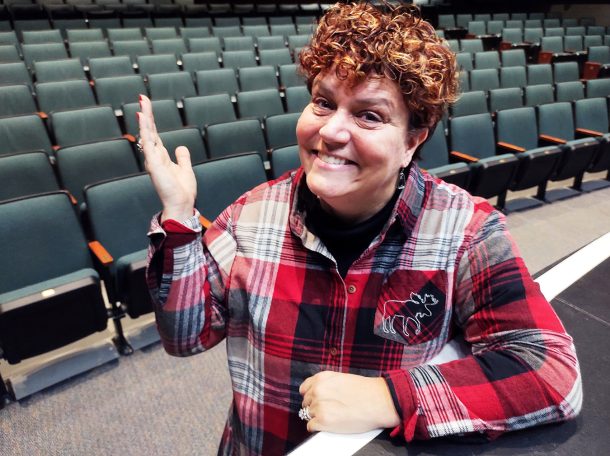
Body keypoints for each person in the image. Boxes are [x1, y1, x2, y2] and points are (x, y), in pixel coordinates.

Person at [138, 2, 582, 455]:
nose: (331, 131)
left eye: (369, 115)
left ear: (413, 139)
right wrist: (178, 218)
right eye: (323, 103)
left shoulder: (468, 232)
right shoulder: (249, 216)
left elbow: (549, 371)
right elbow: (185, 336)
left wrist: (390, 396)